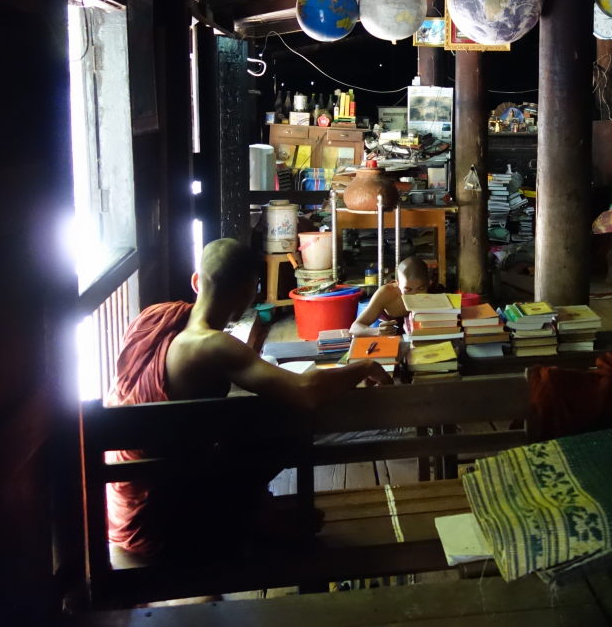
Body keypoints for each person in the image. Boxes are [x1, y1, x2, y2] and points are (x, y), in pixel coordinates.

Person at [106, 238, 391, 560]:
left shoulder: (154, 316)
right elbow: (306, 392)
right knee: (284, 418)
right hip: (160, 518)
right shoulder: (210, 345)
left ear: (196, 281)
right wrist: (363, 366)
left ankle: (253, 513)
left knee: (248, 424)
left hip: (123, 505)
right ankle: (248, 521)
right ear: (249, 292)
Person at [349, 256, 438, 337]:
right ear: (397, 283)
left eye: (420, 289)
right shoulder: (386, 293)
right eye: (408, 289)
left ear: (429, 283)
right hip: (393, 342)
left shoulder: (436, 293)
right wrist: (377, 332)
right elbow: (355, 328)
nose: (414, 295)